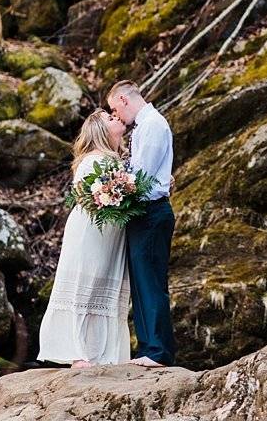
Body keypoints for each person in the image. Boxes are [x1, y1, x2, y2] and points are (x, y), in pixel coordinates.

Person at [37, 110, 131, 368]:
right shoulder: (92, 161)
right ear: (100, 130)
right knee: (83, 288)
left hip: (112, 235)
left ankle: (104, 353)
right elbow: (91, 197)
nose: (117, 118)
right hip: (89, 233)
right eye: (110, 118)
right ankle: (76, 353)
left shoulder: (120, 160)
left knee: (106, 291)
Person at [107, 80, 177, 368]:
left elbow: (141, 179)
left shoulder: (152, 125)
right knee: (142, 282)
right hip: (143, 213)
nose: (116, 116)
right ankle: (149, 347)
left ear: (124, 100)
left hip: (151, 211)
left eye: (114, 108)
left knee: (150, 282)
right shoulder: (145, 125)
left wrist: (114, 188)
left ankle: (158, 351)